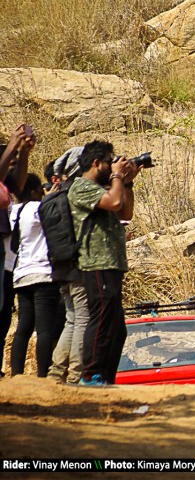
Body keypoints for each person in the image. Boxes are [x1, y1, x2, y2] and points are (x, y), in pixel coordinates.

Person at [69, 141, 139, 385]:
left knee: (117, 329)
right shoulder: (81, 187)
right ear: (96, 163)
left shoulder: (105, 189)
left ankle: (106, 379)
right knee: (100, 319)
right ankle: (90, 375)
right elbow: (114, 203)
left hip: (111, 262)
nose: (112, 166)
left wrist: (127, 182)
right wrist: (118, 176)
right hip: (96, 262)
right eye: (110, 161)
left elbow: (125, 213)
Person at [10, 174, 64, 376]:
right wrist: (51, 197)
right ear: (33, 191)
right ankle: (42, 375)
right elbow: (56, 219)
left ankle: (16, 375)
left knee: (23, 328)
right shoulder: (38, 208)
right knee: (44, 329)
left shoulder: (14, 210)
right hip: (43, 274)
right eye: (40, 190)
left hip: (21, 275)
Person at [46, 147, 88, 384]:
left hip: (59, 267)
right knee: (82, 318)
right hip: (78, 265)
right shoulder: (78, 194)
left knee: (72, 318)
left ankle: (56, 372)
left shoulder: (53, 197)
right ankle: (74, 375)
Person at [0, 124, 35, 376]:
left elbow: (18, 186)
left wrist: (23, 153)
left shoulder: (5, 187)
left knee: (3, 314)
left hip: (6, 256)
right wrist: (12, 145)